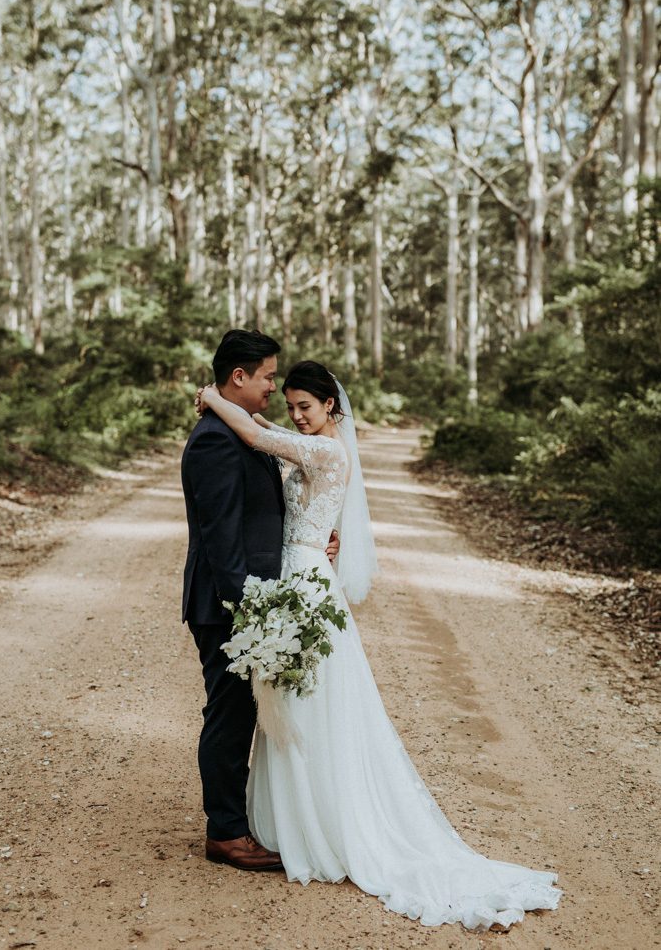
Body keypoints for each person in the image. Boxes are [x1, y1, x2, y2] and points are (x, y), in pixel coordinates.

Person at [197, 360, 563, 932]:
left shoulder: (327, 450)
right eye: (290, 405)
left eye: (306, 407)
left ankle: (328, 826)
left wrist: (211, 398)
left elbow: (256, 436)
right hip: (296, 573)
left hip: (306, 583)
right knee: (290, 706)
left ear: (331, 408)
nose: (295, 415)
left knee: (312, 707)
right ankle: (284, 822)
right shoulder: (314, 445)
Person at [180, 331, 338, 873]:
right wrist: (245, 611)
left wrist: (315, 541)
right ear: (239, 377)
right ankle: (225, 833)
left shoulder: (238, 432)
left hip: (257, 596)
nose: (274, 386)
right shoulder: (214, 441)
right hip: (229, 603)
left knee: (244, 710)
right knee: (228, 713)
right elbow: (223, 539)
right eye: (269, 377)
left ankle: (236, 822)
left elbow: (267, 505)